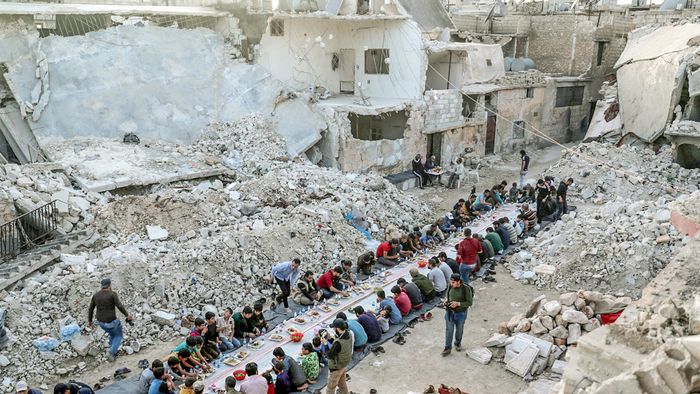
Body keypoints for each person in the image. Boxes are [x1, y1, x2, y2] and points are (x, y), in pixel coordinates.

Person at [87, 278, 132, 361]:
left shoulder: (96, 295)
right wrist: (127, 315)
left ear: (102, 286)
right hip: (111, 322)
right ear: (110, 285)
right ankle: (111, 352)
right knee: (118, 335)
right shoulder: (112, 294)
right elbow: (119, 306)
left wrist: (89, 320)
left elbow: (91, 309)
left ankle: (113, 351)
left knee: (112, 334)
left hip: (100, 323)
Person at [442, 274, 473, 356]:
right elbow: (447, 294)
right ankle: (447, 348)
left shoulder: (466, 289)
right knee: (449, 330)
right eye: (451, 282)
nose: (451, 284)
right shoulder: (450, 285)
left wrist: (458, 304)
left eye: (453, 282)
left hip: (461, 313)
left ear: (458, 282)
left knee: (459, 330)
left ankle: (457, 343)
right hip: (450, 312)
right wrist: (446, 300)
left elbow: (469, 302)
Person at [327, 318, 353, 394]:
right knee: (342, 384)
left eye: (334, 328)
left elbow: (329, 355)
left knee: (330, 388)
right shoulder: (349, 334)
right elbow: (339, 347)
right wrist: (330, 339)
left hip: (336, 368)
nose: (333, 329)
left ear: (337, 329)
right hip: (344, 364)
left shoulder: (338, 342)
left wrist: (325, 344)